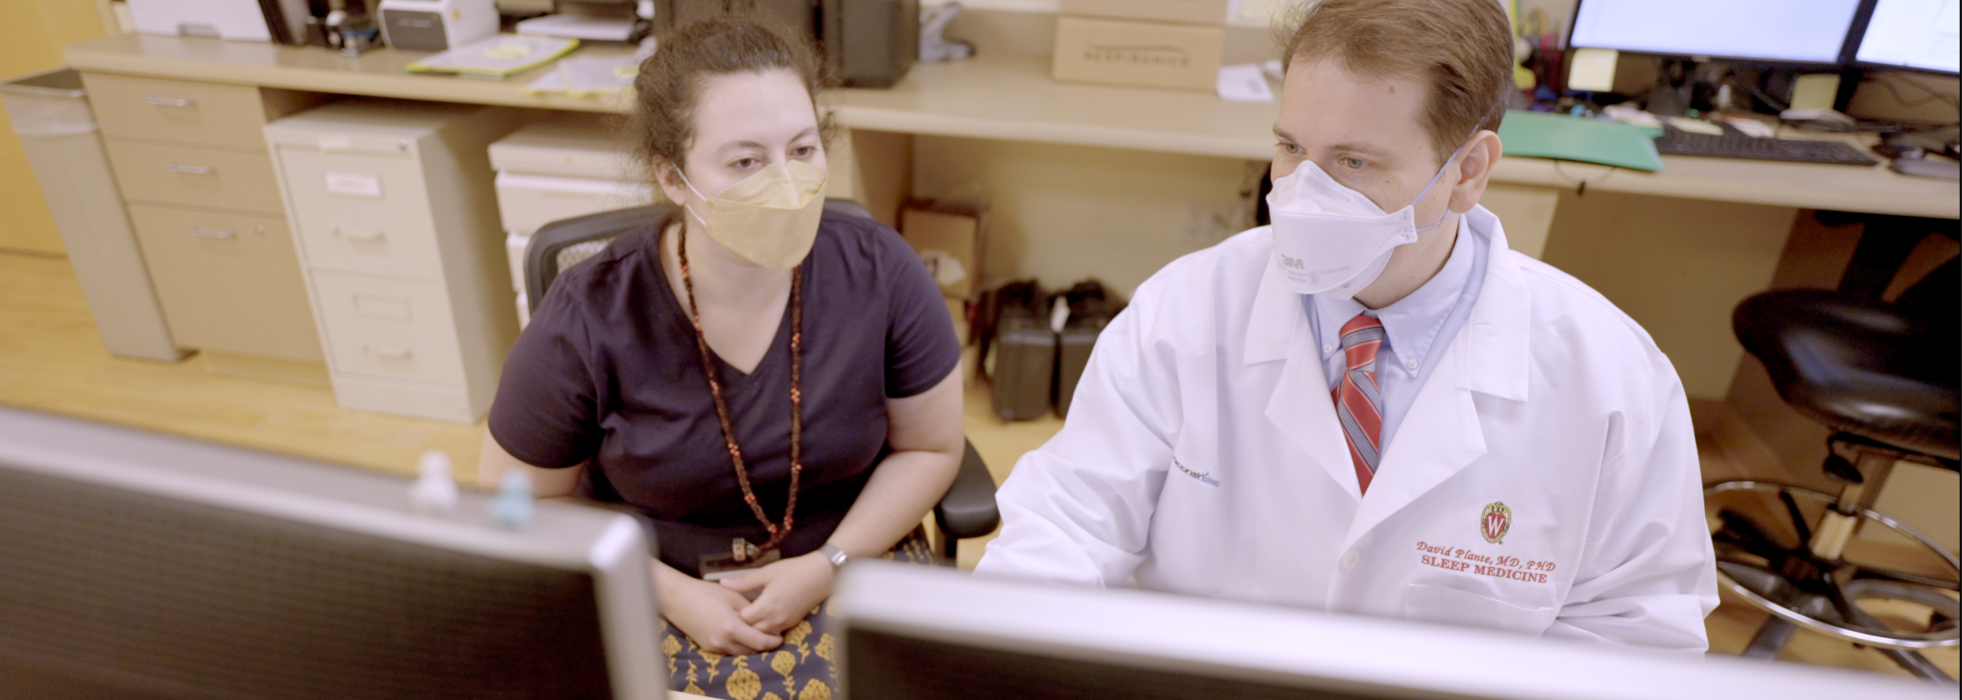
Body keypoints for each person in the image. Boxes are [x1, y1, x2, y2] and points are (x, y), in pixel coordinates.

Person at [976, 0, 1718, 652]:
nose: (1301, 196)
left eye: (1354, 162)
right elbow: (1065, 527)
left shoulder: (1613, 380)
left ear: (1467, 172)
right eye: (1292, 149)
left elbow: (1636, 637)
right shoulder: (1185, 313)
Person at [478, 16, 964, 698]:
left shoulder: (882, 272)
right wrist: (673, 595)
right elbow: (515, 500)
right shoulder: (590, 316)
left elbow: (932, 450)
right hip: (657, 583)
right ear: (673, 178)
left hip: (852, 552)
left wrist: (827, 564)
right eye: (744, 161)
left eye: (802, 149)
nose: (787, 183)